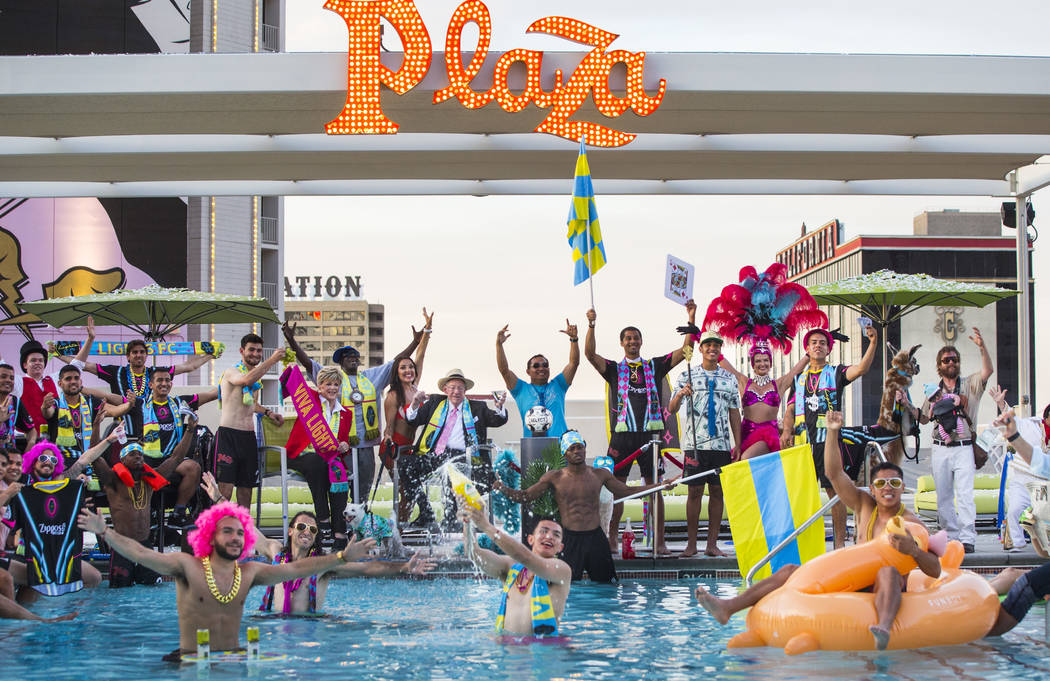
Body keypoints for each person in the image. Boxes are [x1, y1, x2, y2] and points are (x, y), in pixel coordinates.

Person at [695, 410, 942, 651]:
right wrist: (833, 433)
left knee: (888, 571)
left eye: (894, 483)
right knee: (790, 570)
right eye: (881, 484)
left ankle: (885, 627)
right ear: (872, 488)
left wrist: (915, 552)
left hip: (884, 586)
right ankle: (728, 607)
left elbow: (936, 569)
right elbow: (834, 474)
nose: (888, 489)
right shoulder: (863, 505)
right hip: (852, 580)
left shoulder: (912, 522)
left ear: (902, 487)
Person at [77, 500, 372, 660]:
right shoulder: (186, 566)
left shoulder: (249, 573)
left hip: (236, 659)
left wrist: (342, 557)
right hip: (190, 662)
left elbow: (298, 570)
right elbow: (139, 553)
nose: (235, 538)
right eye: (227, 532)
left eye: (240, 533)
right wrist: (105, 533)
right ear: (210, 535)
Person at [584, 301, 695, 554]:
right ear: (622, 343)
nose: (633, 342)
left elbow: (686, 350)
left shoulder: (654, 366)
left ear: (641, 342)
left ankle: (660, 542)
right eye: (628, 339)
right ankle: (612, 538)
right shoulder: (613, 369)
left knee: (655, 488)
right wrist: (591, 324)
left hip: (650, 437)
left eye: (636, 338)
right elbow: (590, 355)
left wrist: (691, 316)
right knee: (615, 490)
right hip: (621, 439)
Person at [494, 430, 676, 582]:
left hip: (596, 539)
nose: (577, 451)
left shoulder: (599, 474)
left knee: (607, 588)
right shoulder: (555, 477)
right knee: (569, 589)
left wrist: (661, 485)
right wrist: (503, 488)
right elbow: (526, 496)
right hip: (569, 541)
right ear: (565, 453)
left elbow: (627, 491)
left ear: (585, 448)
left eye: (580, 447)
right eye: (572, 448)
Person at [283, 313, 425, 504]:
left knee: (364, 490)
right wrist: (292, 341)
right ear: (340, 362)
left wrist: (415, 342)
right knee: (340, 487)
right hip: (341, 446)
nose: (352, 358)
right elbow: (309, 363)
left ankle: (360, 525)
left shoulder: (371, 377)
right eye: (347, 357)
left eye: (355, 356)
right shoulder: (333, 380)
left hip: (366, 445)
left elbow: (396, 362)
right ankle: (341, 525)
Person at [783, 324, 877, 548]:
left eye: (823, 343)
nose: (818, 346)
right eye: (814, 342)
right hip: (803, 444)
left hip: (829, 444)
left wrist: (873, 342)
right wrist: (786, 430)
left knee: (836, 494)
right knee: (802, 497)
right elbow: (789, 409)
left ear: (829, 349)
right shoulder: (798, 379)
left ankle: (839, 544)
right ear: (807, 348)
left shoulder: (836, 373)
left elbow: (862, 369)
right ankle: (803, 545)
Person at [92, 416, 198, 588]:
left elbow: (176, 458)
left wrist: (190, 430)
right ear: (123, 460)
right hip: (122, 547)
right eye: (133, 454)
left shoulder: (149, 480)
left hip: (146, 546)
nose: (139, 457)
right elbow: (95, 458)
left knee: (153, 591)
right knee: (120, 595)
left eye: (141, 454)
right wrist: (96, 425)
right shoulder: (112, 480)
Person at [917, 332, 993, 554]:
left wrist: (981, 346)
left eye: (954, 359)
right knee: (944, 496)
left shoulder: (970, 384)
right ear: (939, 365)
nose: (951, 362)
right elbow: (922, 418)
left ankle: (968, 537)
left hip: (964, 447)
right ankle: (950, 536)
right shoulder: (934, 391)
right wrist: (904, 400)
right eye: (946, 360)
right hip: (940, 447)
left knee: (966, 494)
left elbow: (988, 371)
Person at [404, 369, 508, 530]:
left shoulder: (477, 407)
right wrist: (415, 404)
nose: (456, 391)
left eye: (460, 388)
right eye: (452, 387)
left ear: (465, 391)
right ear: (445, 390)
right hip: (434, 454)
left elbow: (497, 420)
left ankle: (452, 518)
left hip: (465, 456)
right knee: (405, 464)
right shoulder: (434, 404)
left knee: (451, 466)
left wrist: (500, 407)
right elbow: (412, 420)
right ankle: (426, 512)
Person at [668, 330, 741, 557]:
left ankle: (712, 544)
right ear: (700, 349)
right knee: (694, 492)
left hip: (720, 445)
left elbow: (734, 412)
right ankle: (691, 544)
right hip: (695, 444)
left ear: (720, 350)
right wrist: (681, 394)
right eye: (708, 345)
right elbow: (671, 408)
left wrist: (737, 443)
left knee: (718, 492)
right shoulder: (687, 374)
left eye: (716, 345)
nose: (712, 349)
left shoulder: (729, 379)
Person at [458, 496, 571, 637]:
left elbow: (526, 557)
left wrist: (486, 526)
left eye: (556, 534)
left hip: (543, 652)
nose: (549, 536)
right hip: (508, 649)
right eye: (543, 531)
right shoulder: (510, 567)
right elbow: (474, 553)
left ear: (560, 547)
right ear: (530, 539)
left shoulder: (561, 570)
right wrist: (468, 522)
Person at [52, 316, 218, 404]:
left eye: (142, 352)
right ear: (128, 356)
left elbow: (188, 367)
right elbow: (84, 366)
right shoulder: (117, 372)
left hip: (151, 422)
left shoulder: (156, 373)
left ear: (146, 356)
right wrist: (58, 355)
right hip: (122, 422)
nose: (139, 355)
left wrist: (210, 356)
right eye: (135, 352)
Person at [127, 371, 214, 528]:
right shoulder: (139, 404)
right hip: (147, 462)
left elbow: (211, 395)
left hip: (174, 461)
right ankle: (149, 512)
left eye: (168, 380)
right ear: (151, 385)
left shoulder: (180, 403)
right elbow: (109, 401)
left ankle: (178, 513)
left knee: (194, 467)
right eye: (160, 380)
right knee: (136, 468)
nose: (164, 383)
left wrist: (235, 383)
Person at [281, 365, 354, 547]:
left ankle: (338, 531)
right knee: (317, 462)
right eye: (328, 384)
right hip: (302, 455)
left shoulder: (346, 414)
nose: (332, 388)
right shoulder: (310, 401)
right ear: (319, 386)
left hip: (327, 460)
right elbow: (289, 381)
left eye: (336, 384)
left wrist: (345, 446)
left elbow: (344, 443)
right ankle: (322, 520)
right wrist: (289, 365)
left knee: (337, 471)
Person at [215, 334, 285, 508]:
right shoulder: (233, 372)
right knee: (225, 488)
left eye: (259, 350)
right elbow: (245, 380)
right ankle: (217, 530)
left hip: (248, 437)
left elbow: (251, 405)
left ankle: (244, 530)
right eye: (251, 349)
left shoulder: (256, 378)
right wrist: (272, 360)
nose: (255, 353)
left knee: (246, 490)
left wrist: (268, 412)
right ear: (242, 351)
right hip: (228, 436)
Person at [382, 309, 433, 525]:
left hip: (410, 449)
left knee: (410, 492)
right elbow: (389, 428)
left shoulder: (416, 389)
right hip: (394, 448)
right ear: (397, 372)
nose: (408, 370)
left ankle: (406, 526)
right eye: (403, 367)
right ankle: (400, 529)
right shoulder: (393, 395)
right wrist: (391, 450)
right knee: (406, 490)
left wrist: (427, 331)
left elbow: (420, 354)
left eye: (410, 367)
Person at [719, 341, 808, 459]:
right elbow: (724, 364)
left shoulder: (778, 385)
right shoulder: (744, 382)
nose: (762, 364)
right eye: (758, 361)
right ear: (752, 364)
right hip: (746, 435)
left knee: (746, 459)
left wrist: (808, 354)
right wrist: (700, 337)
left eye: (766, 360)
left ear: (770, 363)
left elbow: (794, 371)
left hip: (768, 436)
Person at [495, 319, 580, 439]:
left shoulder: (559, 385)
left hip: (560, 448)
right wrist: (499, 345)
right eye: (536, 366)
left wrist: (574, 340)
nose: (541, 368)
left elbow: (574, 363)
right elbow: (504, 370)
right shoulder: (520, 389)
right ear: (528, 371)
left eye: (545, 365)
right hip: (532, 448)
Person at [41, 364, 130, 469]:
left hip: (88, 458)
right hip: (62, 461)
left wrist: (130, 404)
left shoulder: (91, 403)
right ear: (60, 384)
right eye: (68, 379)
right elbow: (48, 412)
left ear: (81, 382)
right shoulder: (56, 403)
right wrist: (45, 407)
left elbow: (115, 411)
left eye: (76, 378)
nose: (73, 381)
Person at [0, 363, 38, 451]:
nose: (8, 380)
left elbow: (31, 430)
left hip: (10, 459)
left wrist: (30, 446)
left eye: (11, 378)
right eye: (3, 376)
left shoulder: (15, 402)